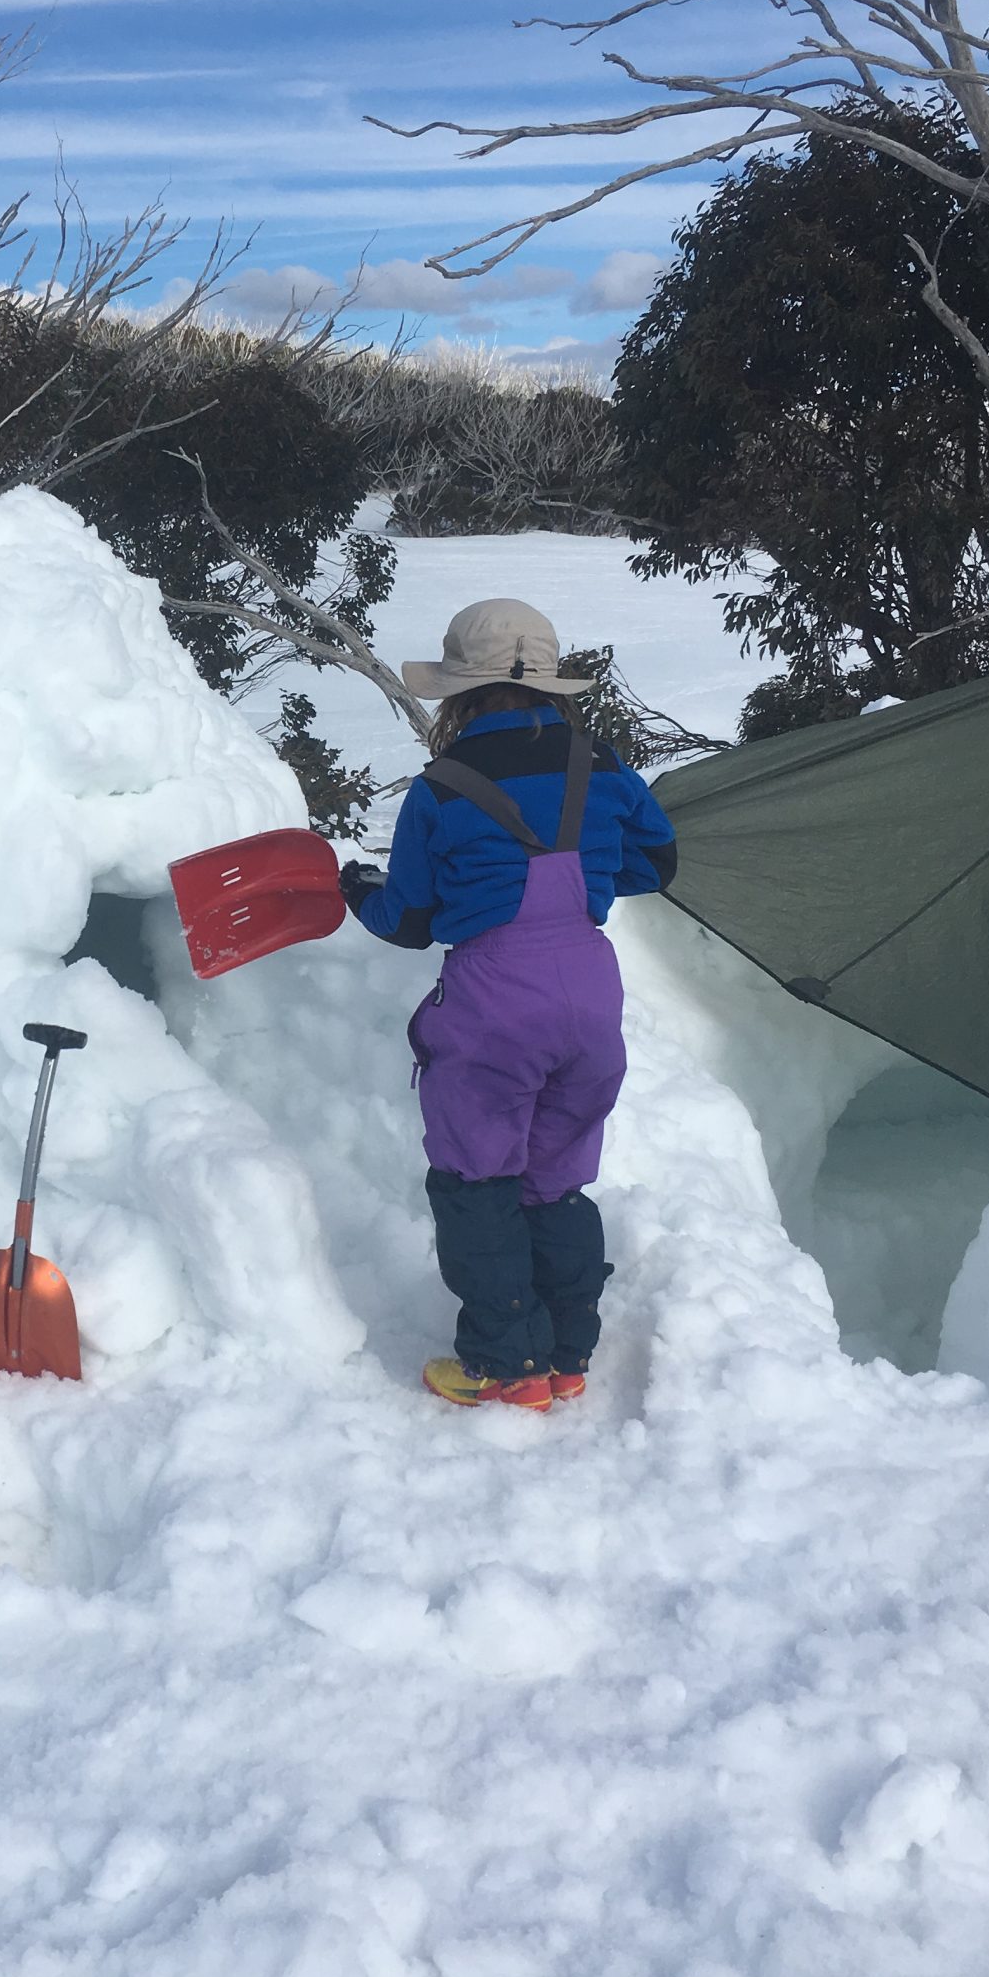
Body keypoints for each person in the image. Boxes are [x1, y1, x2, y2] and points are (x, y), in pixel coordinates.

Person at [339, 597, 677, 1411]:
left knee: (477, 1180)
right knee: (555, 1181)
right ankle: (565, 1355)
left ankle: (502, 1365)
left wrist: (358, 889)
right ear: (550, 686)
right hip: (591, 997)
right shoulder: (603, 764)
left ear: (461, 692)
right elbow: (657, 864)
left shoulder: (442, 788)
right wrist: (587, 874)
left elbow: (410, 922)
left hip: (495, 1002)